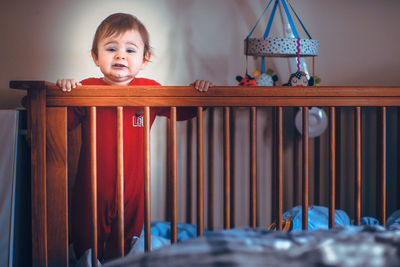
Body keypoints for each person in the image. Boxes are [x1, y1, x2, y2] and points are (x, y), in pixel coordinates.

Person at [56, 13, 214, 260]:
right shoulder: (86, 90)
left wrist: (199, 95)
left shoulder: (149, 90)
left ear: (144, 59)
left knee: (129, 237)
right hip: (92, 186)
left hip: (134, 188)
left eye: (130, 50)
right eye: (111, 49)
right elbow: (58, 125)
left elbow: (182, 110)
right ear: (96, 57)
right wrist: (64, 93)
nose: (120, 55)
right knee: (86, 234)